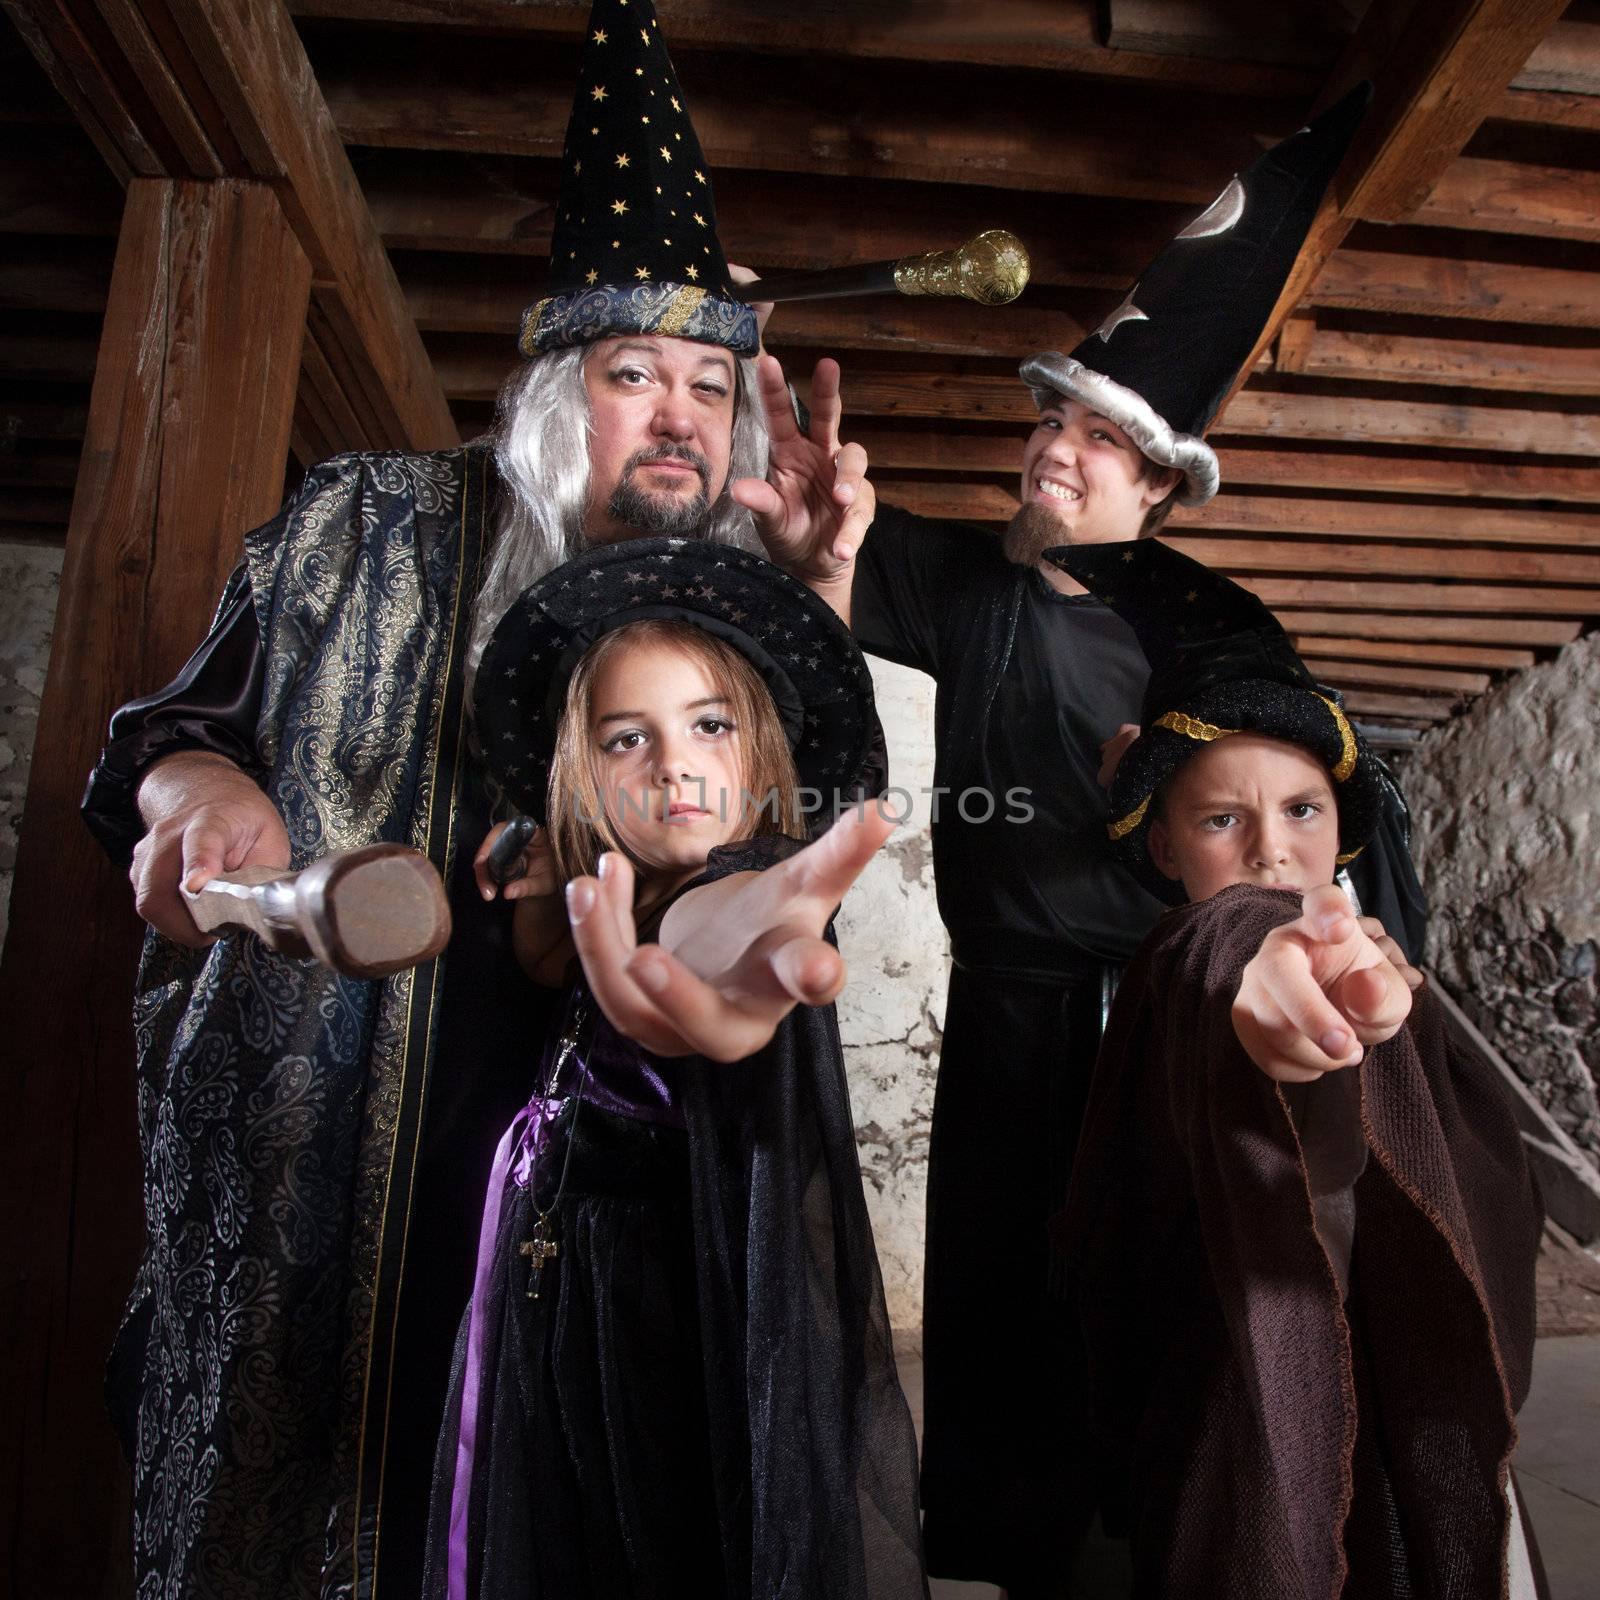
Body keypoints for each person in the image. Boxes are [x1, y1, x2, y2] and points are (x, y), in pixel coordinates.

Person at [78, 5, 874, 1595]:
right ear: (543, 391)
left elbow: (784, 844)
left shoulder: (725, 605)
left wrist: (818, 597)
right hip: (343, 1179)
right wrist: (208, 793)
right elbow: (162, 739)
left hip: (584, 1214)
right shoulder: (363, 526)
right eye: (633, 371)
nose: (679, 418)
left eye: (713, 388)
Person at [841, 86, 1427, 1593]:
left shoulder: (1220, 636)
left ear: (1157, 489)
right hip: (1012, 1018)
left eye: (1098, 442)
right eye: (1051, 419)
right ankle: (1029, 1555)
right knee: (1009, 1297)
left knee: (1166, 1302)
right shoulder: (962, 583)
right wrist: (808, 534)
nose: (1056, 450)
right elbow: (827, 569)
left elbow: (1298, 823)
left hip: (1175, 1015)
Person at [423, 536, 925, 1599]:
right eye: (625, 739)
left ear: (758, 752)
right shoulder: (593, 892)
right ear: (580, 772)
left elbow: (719, 931)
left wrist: (717, 988)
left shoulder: (736, 897)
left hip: (652, 1314)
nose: (672, 763)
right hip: (543, 1283)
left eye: (708, 724)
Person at [1052, 536, 1545, 1599]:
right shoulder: (1183, 960)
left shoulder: (1382, 968)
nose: (1270, 852)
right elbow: (1229, 949)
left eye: (1301, 810)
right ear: (1167, 847)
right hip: (1236, 1371)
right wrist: (1263, 987)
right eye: (1222, 819)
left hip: (1383, 1369)